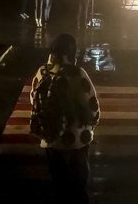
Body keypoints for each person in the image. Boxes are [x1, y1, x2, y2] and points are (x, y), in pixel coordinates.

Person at [29, 32, 100, 204]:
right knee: (78, 185)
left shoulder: (42, 72)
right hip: (76, 140)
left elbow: (33, 99)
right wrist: (92, 123)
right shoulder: (77, 74)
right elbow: (92, 106)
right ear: (72, 52)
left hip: (50, 138)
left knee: (59, 184)